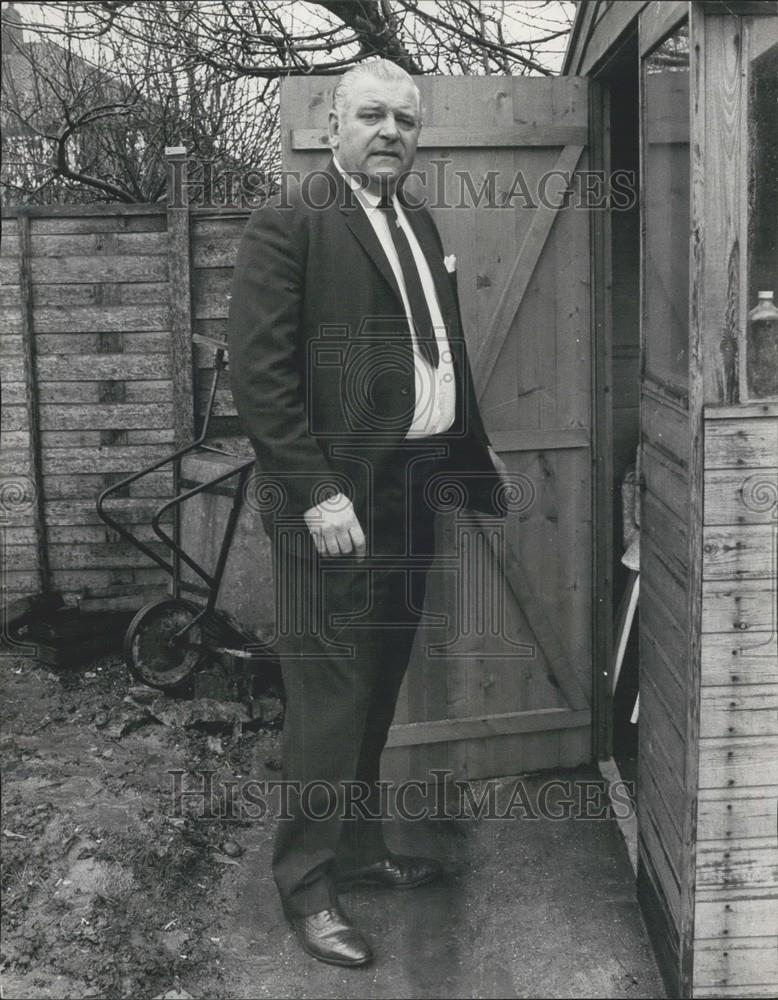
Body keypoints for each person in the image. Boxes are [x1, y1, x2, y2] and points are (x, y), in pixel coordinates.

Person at [228, 57, 508, 968]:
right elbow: (260, 377)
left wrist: (466, 451)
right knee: (326, 700)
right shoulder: (291, 220)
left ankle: (356, 849)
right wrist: (315, 493)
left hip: (411, 489)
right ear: (333, 125)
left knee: (378, 682)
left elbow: (443, 352)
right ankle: (307, 890)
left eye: (406, 120)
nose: (391, 132)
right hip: (335, 506)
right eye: (373, 116)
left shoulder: (418, 221)